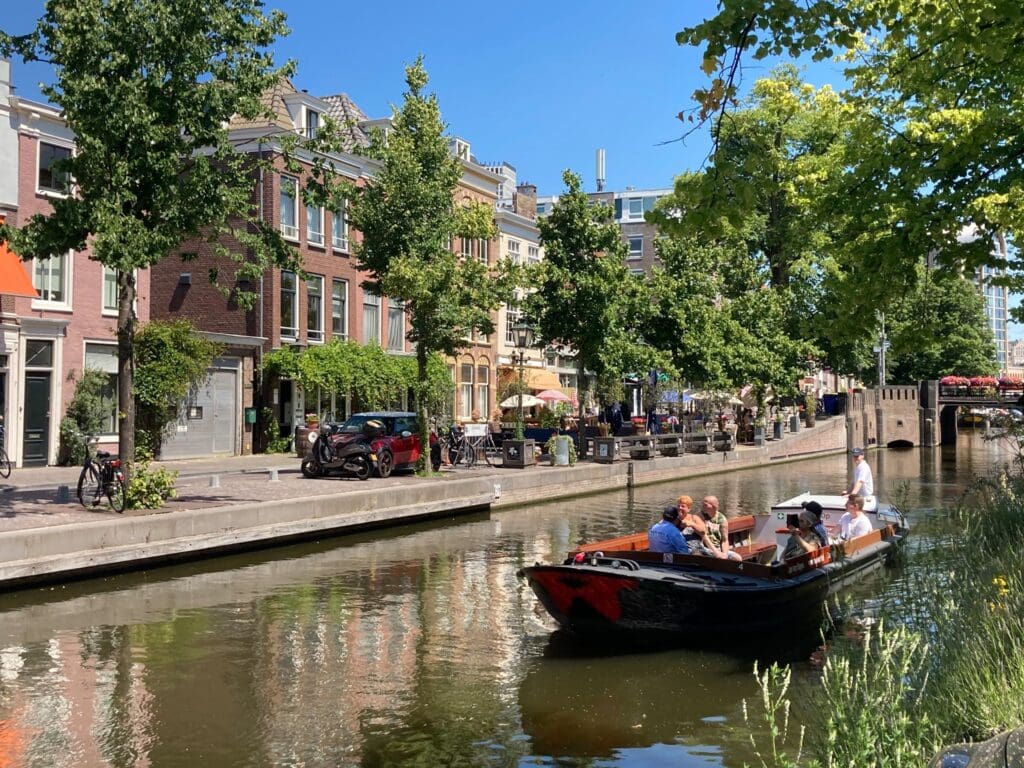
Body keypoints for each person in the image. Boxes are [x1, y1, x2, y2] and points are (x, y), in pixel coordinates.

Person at [700, 496, 742, 560]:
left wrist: (725, 554)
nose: (702, 506)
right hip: (705, 548)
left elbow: (724, 540)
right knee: (715, 557)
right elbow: (704, 537)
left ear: (713, 506)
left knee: (737, 558)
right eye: (702, 503)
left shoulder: (721, 519)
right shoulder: (700, 516)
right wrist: (716, 552)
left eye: (705, 505)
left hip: (718, 548)